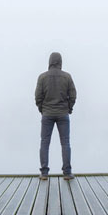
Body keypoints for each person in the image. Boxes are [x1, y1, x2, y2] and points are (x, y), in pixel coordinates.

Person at [35, 52, 77, 180]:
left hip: (47, 114)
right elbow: (73, 95)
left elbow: (38, 97)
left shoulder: (42, 77)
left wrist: (42, 109)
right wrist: (68, 108)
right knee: (65, 143)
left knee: (44, 143)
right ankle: (67, 173)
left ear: (50, 61)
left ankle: (44, 173)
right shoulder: (67, 77)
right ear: (60, 62)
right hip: (63, 113)